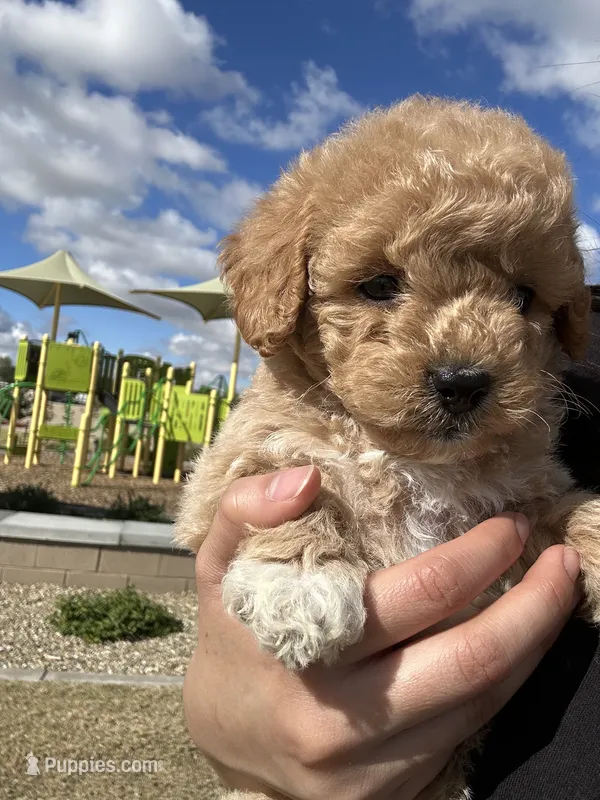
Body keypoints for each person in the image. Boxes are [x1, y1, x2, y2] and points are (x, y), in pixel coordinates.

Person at [183, 296, 600, 800]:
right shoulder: (290, 409)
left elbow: (548, 514)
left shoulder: (538, 408)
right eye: (381, 286)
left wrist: (578, 533)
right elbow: (219, 498)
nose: (462, 357)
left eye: (518, 297)